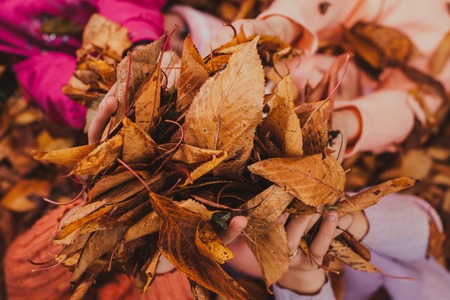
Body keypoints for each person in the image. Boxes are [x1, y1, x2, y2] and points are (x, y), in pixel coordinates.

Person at [204, 0, 450, 299]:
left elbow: (415, 106)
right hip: (285, 88)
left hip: (280, 204)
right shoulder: (428, 16)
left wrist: (302, 281)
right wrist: (285, 26)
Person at [0, 0, 166, 129]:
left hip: (148, 40)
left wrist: (140, 42)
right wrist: (92, 97)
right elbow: (46, 79)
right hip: (117, 93)